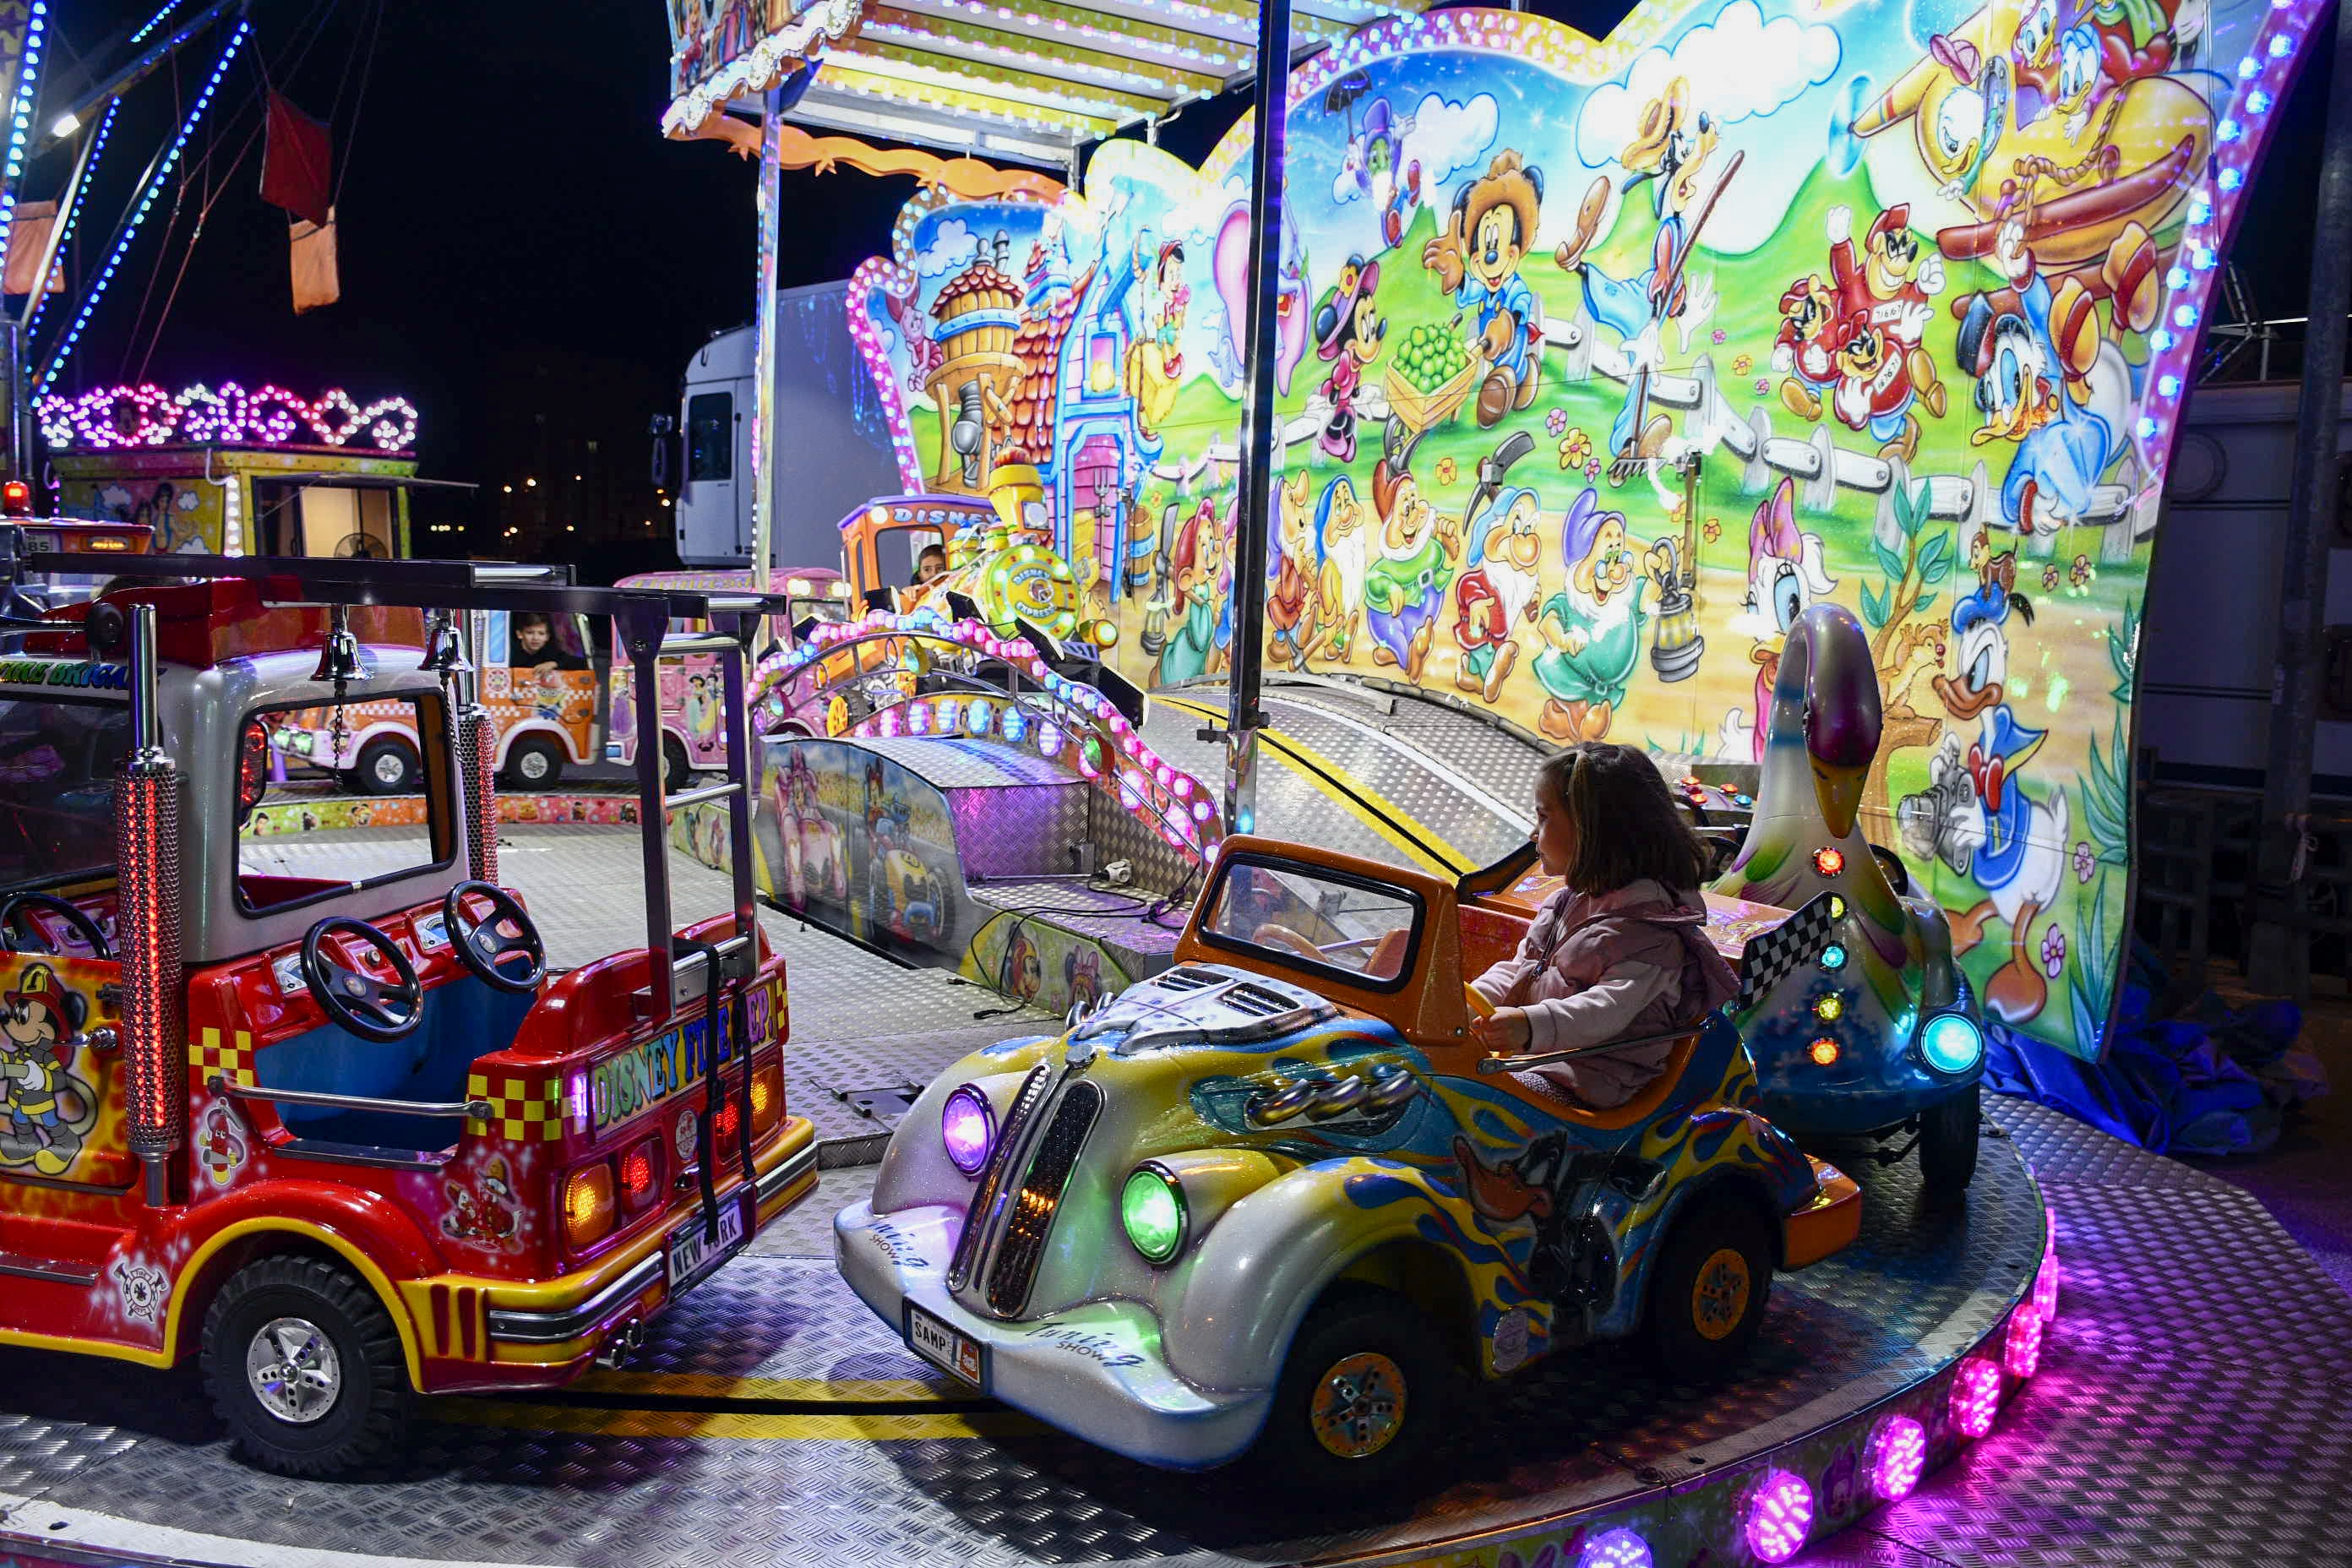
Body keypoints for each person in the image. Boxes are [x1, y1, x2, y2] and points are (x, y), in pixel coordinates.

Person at [1468, 743, 1736, 1108]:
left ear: (1593, 832)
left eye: (1545, 818)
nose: (1534, 833)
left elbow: (1607, 1009)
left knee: (1470, 1099)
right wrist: (1463, 1004)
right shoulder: (1566, 902)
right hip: (1541, 1060)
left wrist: (1531, 1025)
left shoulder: (1651, 933)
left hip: (1592, 1080)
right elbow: (1521, 970)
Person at [509, 613, 585, 674]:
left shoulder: (550, 650)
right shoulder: (510, 652)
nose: (536, 638)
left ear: (547, 637)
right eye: (530, 633)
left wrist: (554, 664)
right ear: (519, 634)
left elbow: (581, 663)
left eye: (541, 633)